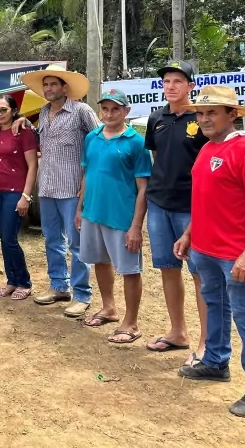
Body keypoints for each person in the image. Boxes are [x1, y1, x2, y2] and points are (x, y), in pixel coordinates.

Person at [175, 85, 245, 418]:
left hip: (235, 254)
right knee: (215, 307)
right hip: (205, 249)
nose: (203, 119)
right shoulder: (206, 149)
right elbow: (203, 198)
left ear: (232, 114)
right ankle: (217, 362)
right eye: (201, 113)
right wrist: (190, 234)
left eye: (212, 113)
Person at [19, 64, 99, 318]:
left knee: (77, 244)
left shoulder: (81, 111)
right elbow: (43, 141)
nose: (49, 88)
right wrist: (23, 121)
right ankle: (58, 286)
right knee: (52, 239)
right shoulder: (43, 112)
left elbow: (99, 138)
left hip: (73, 189)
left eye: (54, 84)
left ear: (65, 87)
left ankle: (82, 294)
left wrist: (91, 182)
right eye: (46, 85)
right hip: (48, 188)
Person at [144, 60, 209, 366]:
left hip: (192, 207)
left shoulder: (203, 119)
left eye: (177, 81)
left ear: (191, 86)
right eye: (166, 81)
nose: (170, 86)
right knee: (168, 269)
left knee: (200, 274)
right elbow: (159, 157)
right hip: (158, 204)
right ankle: (178, 332)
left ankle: (205, 344)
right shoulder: (157, 118)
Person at [76, 90, 152, 343]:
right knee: (99, 260)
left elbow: (143, 187)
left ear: (126, 112)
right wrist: (80, 209)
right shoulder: (92, 137)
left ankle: (131, 323)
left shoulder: (136, 142)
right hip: (93, 213)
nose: (109, 114)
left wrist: (136, 226)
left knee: (130, 269)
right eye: (105, 109)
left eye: (115, 109)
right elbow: (87, 175)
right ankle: (109, 308)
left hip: (121, 216)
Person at [0, 94, 38, 300]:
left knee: (10, 238)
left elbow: (33, 165)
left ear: (13, 111)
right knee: (3, 238)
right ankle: (11, 280)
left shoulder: (23, 132)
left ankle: (24, 282)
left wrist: (26, 195)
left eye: (3, 110)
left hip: (15, 192)